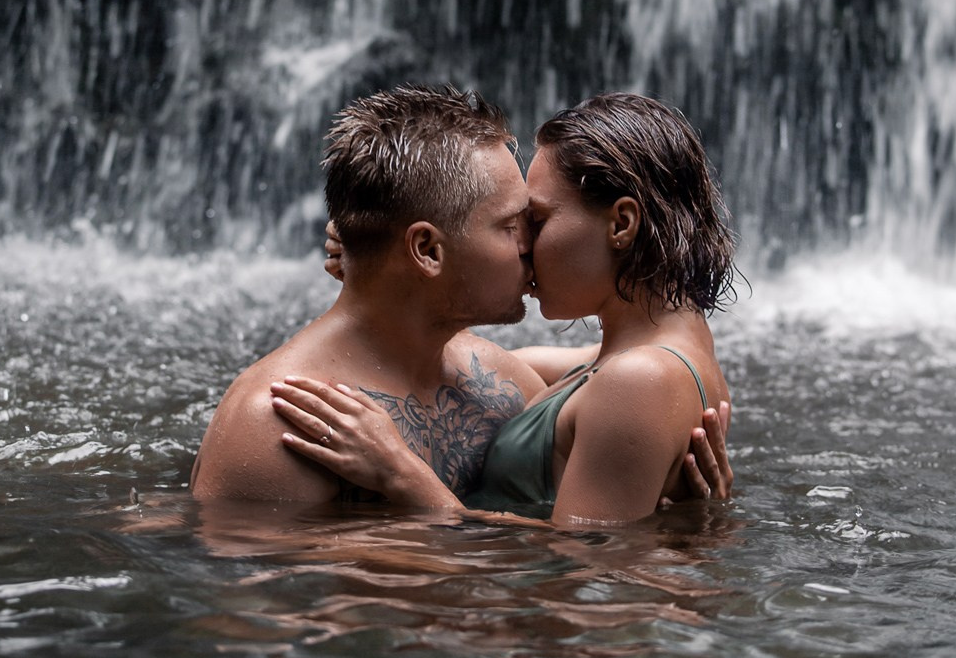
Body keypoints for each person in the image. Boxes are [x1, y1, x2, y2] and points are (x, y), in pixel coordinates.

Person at [190, 84, 731, 515]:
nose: (528, 246)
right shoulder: (279, 425)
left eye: (535, 222)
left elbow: (586, 576)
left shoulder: (507, 383)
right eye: (514, 226)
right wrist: (370, 251)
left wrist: (672, 513)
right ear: (426, 249)